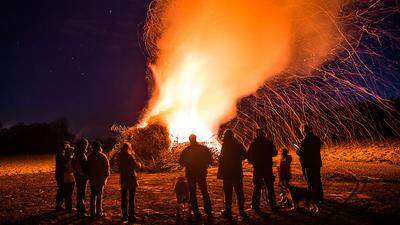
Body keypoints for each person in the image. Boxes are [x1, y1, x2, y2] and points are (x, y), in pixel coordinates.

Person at [179, 134, 213, 220]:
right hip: (201, 174)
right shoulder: (203, 149)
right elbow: (210, 160)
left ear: (190, 140)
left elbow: (181, 162)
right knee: (204, 192)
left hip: (191, 175)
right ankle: (208, 211)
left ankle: (195, 212)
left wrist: (189, 164)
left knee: (192, 193)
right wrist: (203, 165)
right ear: (196, 139)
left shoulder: (186, 150)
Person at [217, 130, 247, 218]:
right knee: (239, 193)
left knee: (228, 194)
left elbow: (222, 159)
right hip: (237, 173)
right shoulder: (238, 144)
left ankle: (228, 211)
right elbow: (245, 155)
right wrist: (237, 159)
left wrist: (220, 173)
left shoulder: (225, 145)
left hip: (227, 174)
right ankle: (241, 210)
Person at [248, 128, 278, 212]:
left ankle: (255, 206)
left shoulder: (253, 144)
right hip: (267, 168)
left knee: (257, 187)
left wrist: (253, 161)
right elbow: (275, 153)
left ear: (256, 134)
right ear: (263, 134)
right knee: (270, 187)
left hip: (258, 168)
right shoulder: (268, 143)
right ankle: (273, 205)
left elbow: (248, 155)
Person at [296, 124, 323, 204]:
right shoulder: (316, 139)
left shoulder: (304, 141)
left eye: (301, 131)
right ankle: (320, 197)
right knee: (318, 180)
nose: (301, 133)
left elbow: (302, 153)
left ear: (304, 131)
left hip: (308, 164)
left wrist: (298, 150)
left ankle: (314, 198)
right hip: (316, 162)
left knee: (310, 182)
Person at [117, 142, 141, 222]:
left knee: (124, 197)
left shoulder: (119, 157)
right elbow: (136, 166)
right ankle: (131, 215)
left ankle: (124, 215)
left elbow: (119, 166)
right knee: (131, 198)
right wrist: (139, 164)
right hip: (131, 179)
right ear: (128, 148)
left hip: (123, 178)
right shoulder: (129, 156)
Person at [87, 141, 110, 218]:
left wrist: (90, 176)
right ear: (99, 147)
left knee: (93, 196)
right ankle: (99, 212)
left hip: (93, 179)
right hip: (100, 179)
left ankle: (92, 212)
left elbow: (87, 168)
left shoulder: (90, 157)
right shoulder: (103, 156)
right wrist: (105, 177)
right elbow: (107, 169)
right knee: (99, 196)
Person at [72, 138, 89, 218]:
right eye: (86, 144)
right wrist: (85, 174)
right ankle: (81, 211)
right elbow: (82, 166)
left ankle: (81, 209)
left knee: (80, 193)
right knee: (81, 193)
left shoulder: (76, 153)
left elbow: (74, 165)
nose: (87, 146)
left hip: (78, 175)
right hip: (81, 176)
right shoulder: (81, 154)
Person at [55, 141, 69, 211]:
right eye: (66, 146)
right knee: (61, 189)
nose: (67, 147)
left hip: (60, 174)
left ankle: (59, 204)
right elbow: (63, 163)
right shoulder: (60, 154)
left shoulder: (61, 153)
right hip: (60, 174)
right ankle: (58, 205)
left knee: (61, 189)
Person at [63, 146, 75, 211]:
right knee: (69, 193)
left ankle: (67, 206)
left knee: (67, 193)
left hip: (66, 178)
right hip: (70, 178)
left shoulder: (64, 159)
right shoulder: (70, 159)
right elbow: (70, 170)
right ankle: (69, 207)